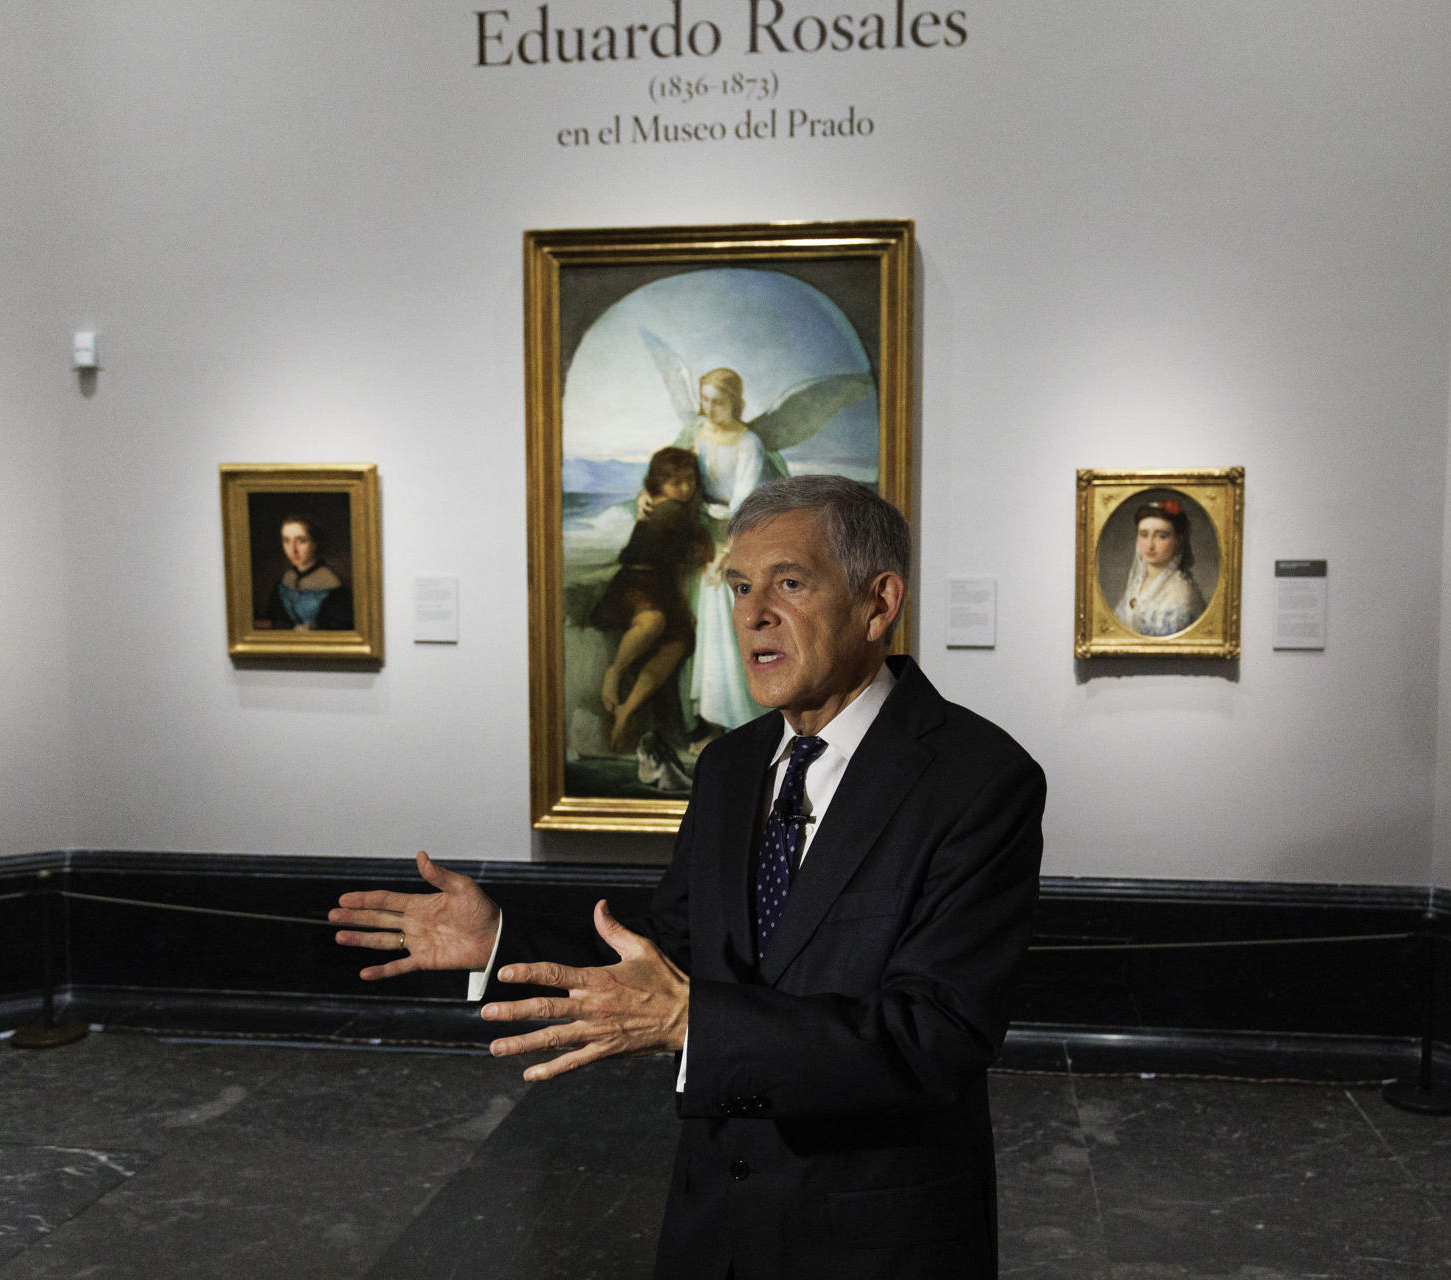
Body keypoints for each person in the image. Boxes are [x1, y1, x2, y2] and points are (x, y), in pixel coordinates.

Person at [331, 475, 1046, 1279]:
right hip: (715, 1229)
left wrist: (692, 1023)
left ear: (877, 603)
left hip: (874, 1239)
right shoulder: (731, 768)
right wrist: (499, 940)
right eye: (739, 585)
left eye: (789, 582)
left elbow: (936, 1038)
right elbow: (666, 958)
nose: (750, 613)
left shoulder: (979, 781)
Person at [590, 447, 714, 752]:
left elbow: (678, 568)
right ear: (659, 483)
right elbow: (695, 555)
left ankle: (627, 709)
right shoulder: (666, 509)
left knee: (678, 643)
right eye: (675, 483)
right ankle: (614, 672)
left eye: (689, 481)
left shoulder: (679, 510)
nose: (684, 489)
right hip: (634, 582)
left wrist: (684, 608)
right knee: (653, 621)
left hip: (662, 586)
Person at [681, 368, 778, 747]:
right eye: (704, 400)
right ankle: (705, 718)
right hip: (699, 536)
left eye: (717, 401)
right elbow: (675, 474)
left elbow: (745, 504)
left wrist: (725, 555)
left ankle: (734, 719)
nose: (708, 408)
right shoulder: (697, 435)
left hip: (739, 540)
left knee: (722, 616)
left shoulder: (749, 443)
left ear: (736, 402)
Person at [1113, 497, 1207, 636]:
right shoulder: (1137, 583)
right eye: (1144, 535)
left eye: (1162, 536)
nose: (1150, 545)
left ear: (1178, 541)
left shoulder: (1180, 592)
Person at [261, 514, 354, 630]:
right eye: (286, 541)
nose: (293, 549)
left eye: (301, 541)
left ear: (315, 543)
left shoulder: (334, 590)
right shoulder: (283, 583)